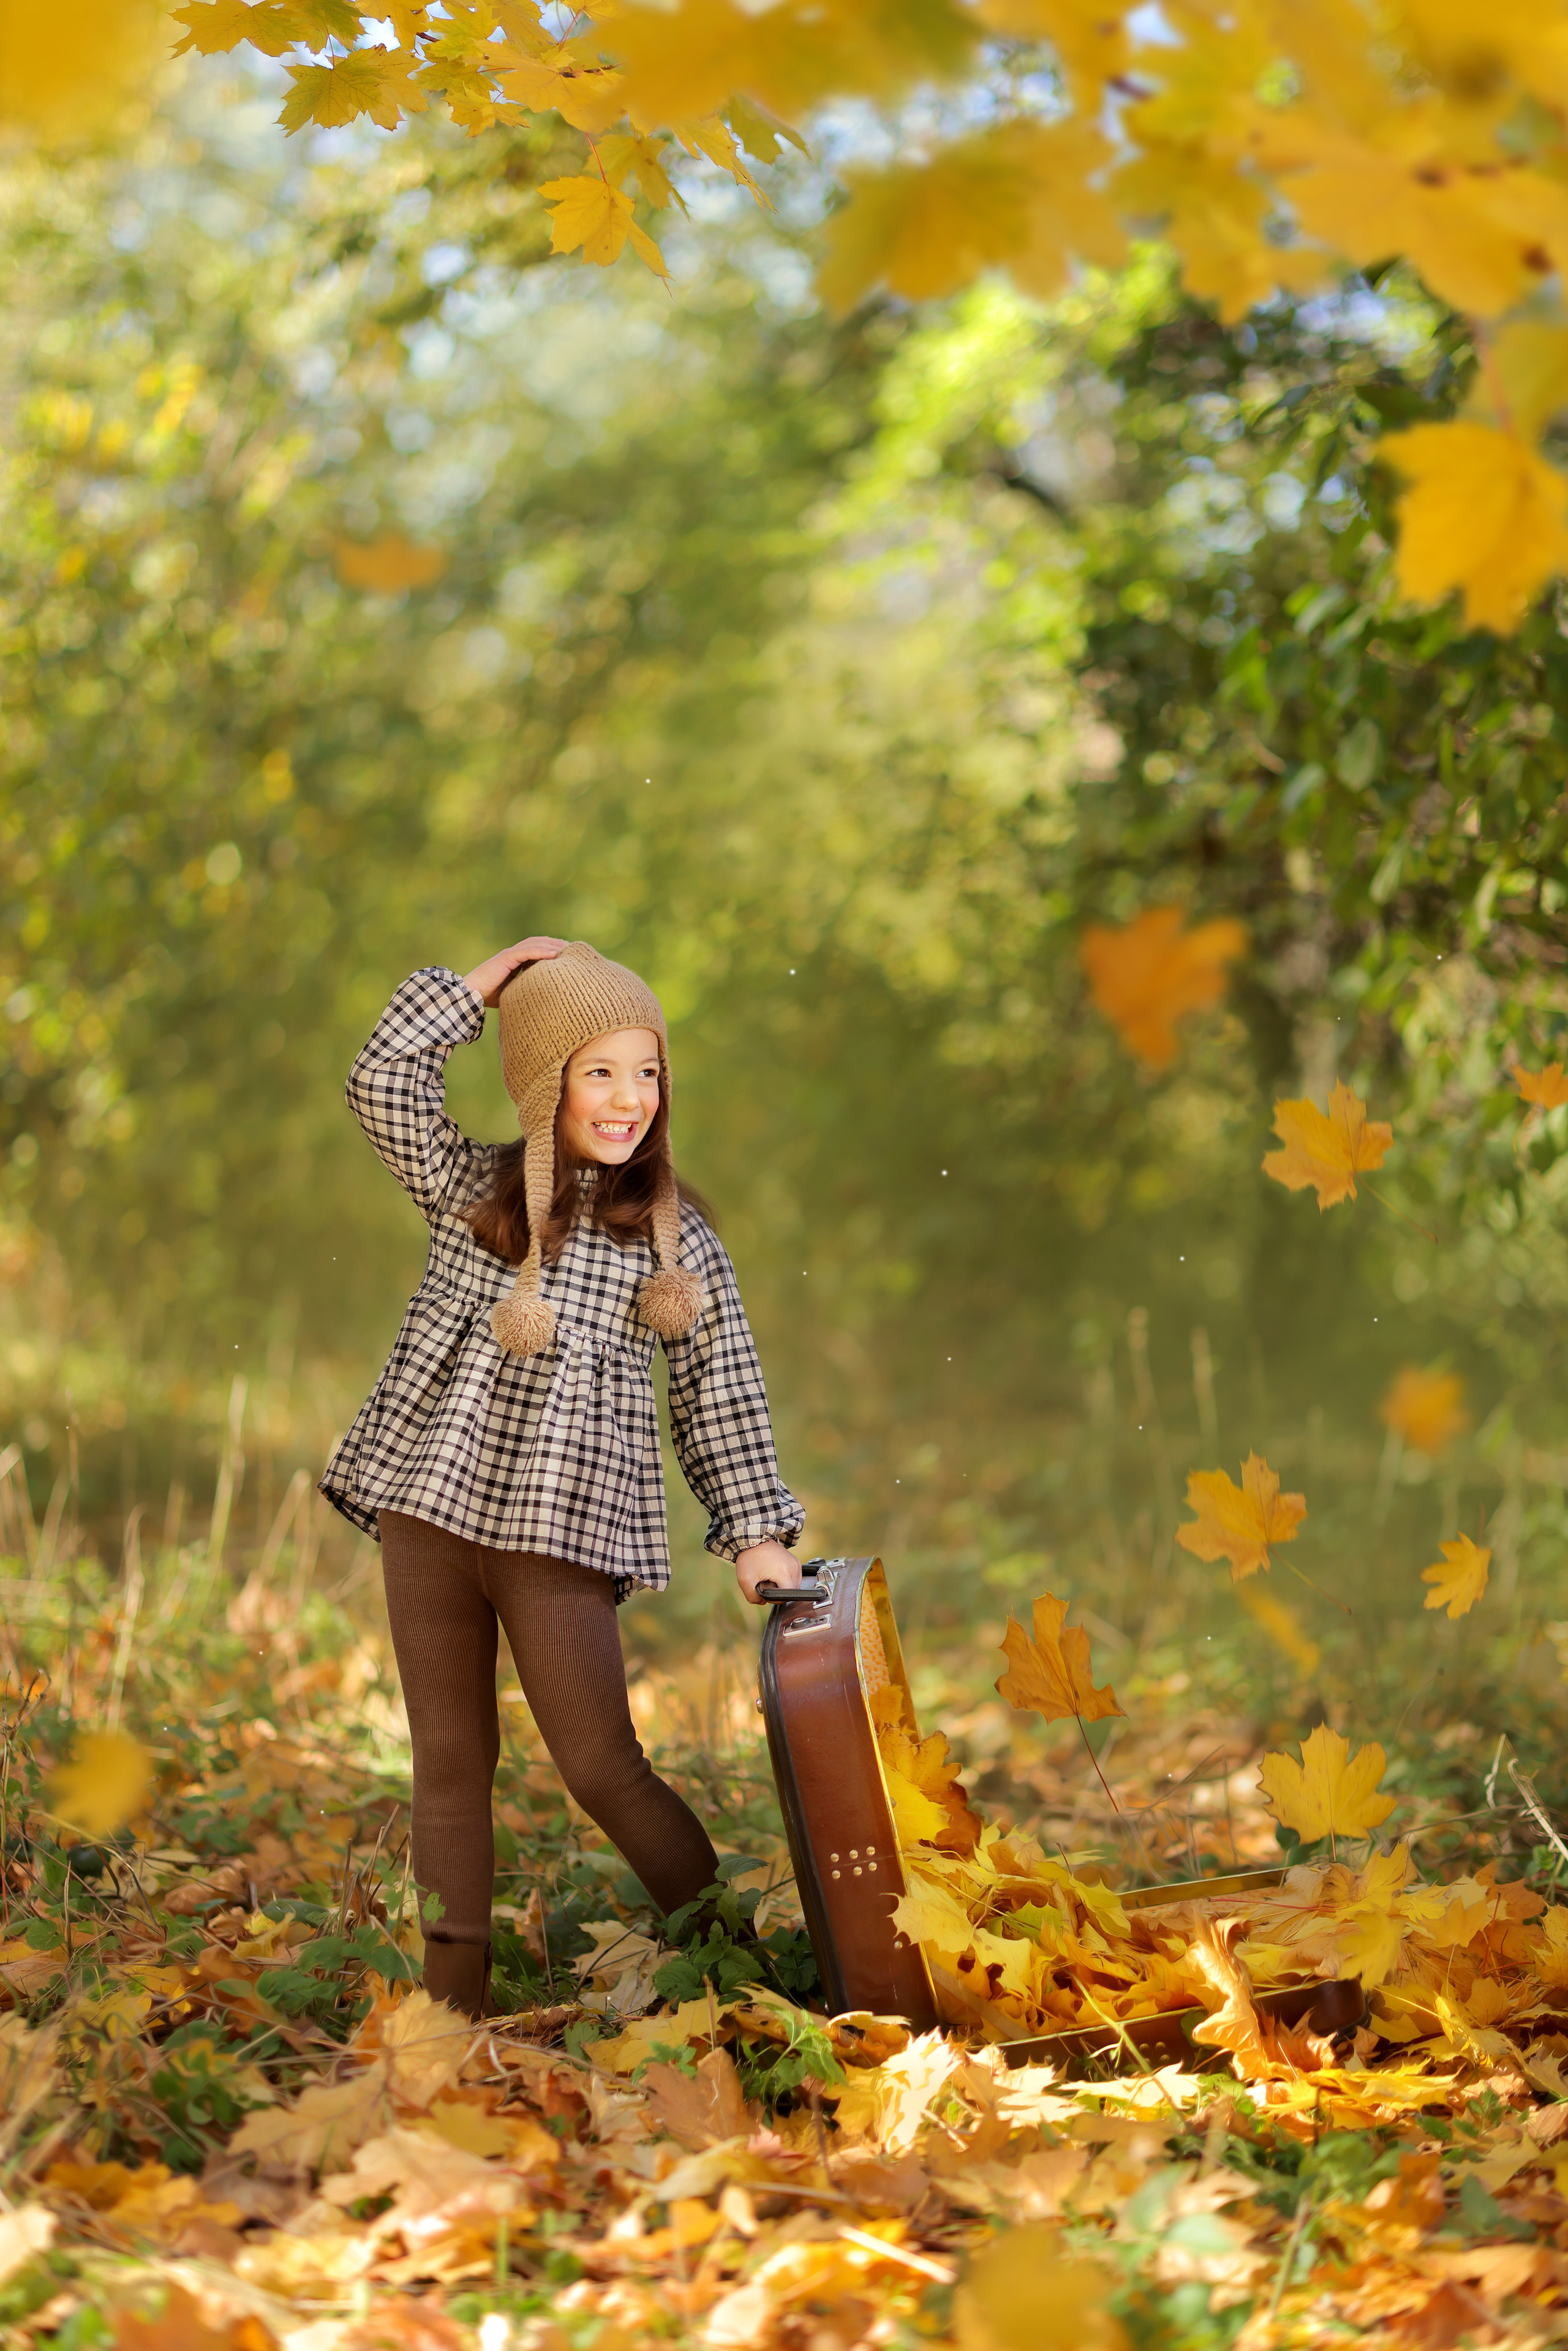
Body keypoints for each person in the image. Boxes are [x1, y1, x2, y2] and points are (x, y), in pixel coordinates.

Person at [321, 937, 804, 2017]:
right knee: (450, 1760)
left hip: (559, 1532)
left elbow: (719, 1393)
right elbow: (380, 1079)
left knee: (601, 1764)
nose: (630, 1098)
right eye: (599, 1071)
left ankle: (741, 1972)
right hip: (430, 1512)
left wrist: (756, 1532)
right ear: (546, 1080)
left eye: (648, 1072)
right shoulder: (469, 1186)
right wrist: (484, 984)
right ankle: (450, 2011)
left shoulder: (672, 1245)